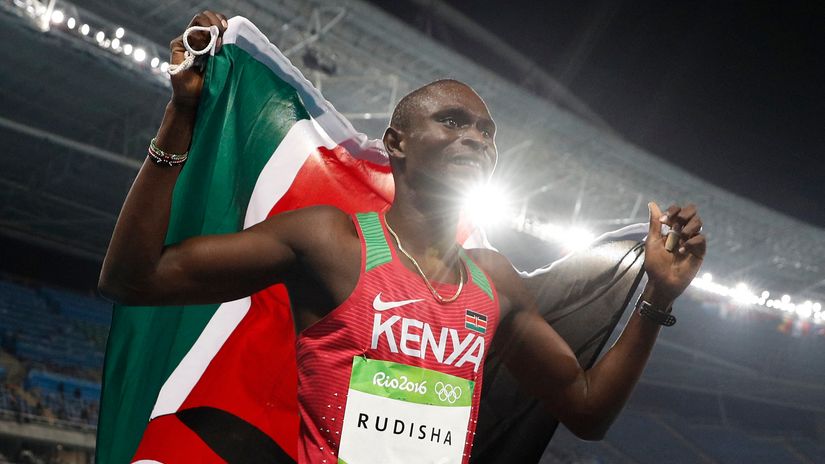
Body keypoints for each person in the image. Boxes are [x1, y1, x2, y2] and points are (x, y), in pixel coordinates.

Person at [98, 11, 706, 464]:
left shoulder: (493, 282)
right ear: (397, 144)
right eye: (452, 121)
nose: (476, 138)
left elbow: (588, 409)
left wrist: (659, 298)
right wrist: (181, 115)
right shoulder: (333, 244)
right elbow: (132, 278)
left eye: (487, 132)